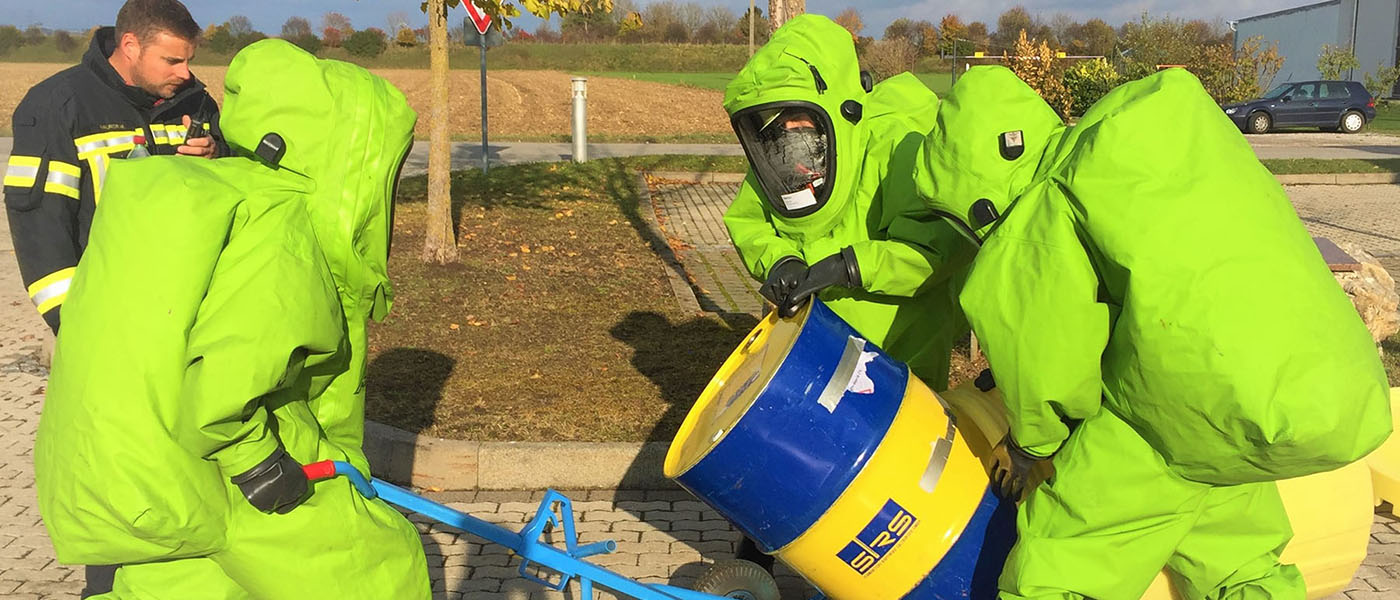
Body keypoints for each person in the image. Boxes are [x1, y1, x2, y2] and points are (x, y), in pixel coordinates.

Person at [917, 65, 1391, 599]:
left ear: (974, 196)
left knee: (1059, 567)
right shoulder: (1139, 152)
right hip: (1301, 398)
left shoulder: (1035, 215)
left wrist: (1031, 445)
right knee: (1238, 561)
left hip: (1183, 412)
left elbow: (1047, 364)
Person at [33, 39, 430, 599]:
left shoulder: (226, 197)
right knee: (383, 572)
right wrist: (260, 467)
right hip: (234, 474)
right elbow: (224, 387)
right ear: (349, 162)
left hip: (159, 478)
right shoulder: (280, 233)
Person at [721, 14, 975, 571]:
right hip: (813, 343)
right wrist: (782, 260)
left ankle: (871, 567)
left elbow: (933, 250)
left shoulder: (898, 144)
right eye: (777, 134)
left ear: (839, 112)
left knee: (883, 468)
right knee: (790, 449)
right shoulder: (778, 160)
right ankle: (760, 552)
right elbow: (750, 219)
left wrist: (847, 266)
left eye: (800, 130)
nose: (792, 148)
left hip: (899, 344)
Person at [3, 0, 224, 335]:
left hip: (189, 310)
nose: (185, 73)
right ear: (130, 46)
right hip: (105, 317)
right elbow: (40, 228)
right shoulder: (59, 106)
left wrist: (216, 155)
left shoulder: (197, 103)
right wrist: (76, 326)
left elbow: (230, 195)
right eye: (172, 60)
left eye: (188, 61)